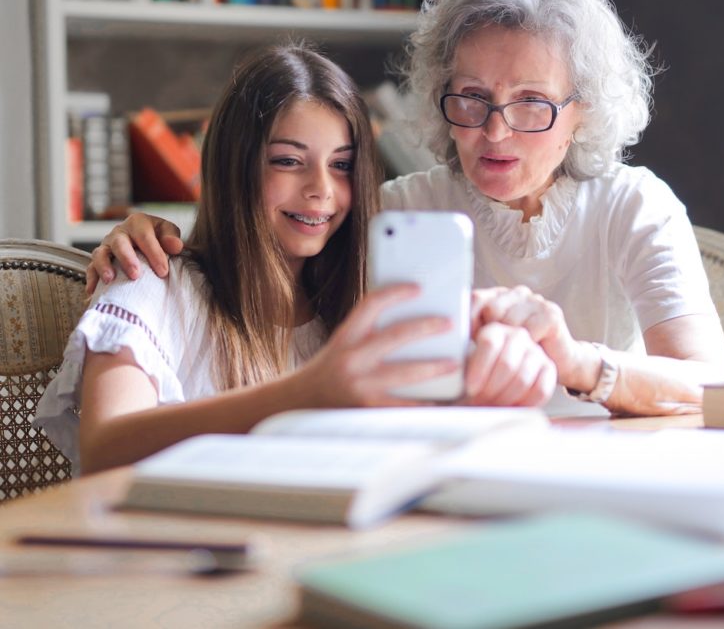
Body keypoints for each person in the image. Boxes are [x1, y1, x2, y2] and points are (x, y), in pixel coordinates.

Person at [88, 0, 724, 417]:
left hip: (608, 479)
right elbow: (262, 262)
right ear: (438, 93)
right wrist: (148, 234)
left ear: (583, 110)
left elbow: (711, 385)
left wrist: (576, 362)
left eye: (532, 103)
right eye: (472, 98)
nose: (495, 132)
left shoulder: (633, 203)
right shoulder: (393, 212)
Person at [35, 44, 556, 476]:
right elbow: (104, 449)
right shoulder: (150, 281)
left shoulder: (358, 306)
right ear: (234, 166)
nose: (321, 192)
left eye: (342, 166)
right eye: (288, 161)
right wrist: (308, 392)